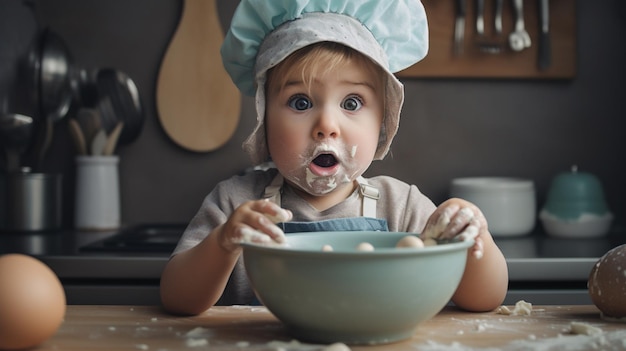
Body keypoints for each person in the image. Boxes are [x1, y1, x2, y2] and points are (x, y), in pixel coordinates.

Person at [160, 0, 509, 315]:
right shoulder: (236, 205)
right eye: (301, 102)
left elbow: (484, 299)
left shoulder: (402, 207)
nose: (327, 125)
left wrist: (474, 234)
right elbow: (177, 298)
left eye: (352, 103)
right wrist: (223, 243)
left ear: (383, 122)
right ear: (264, 119)